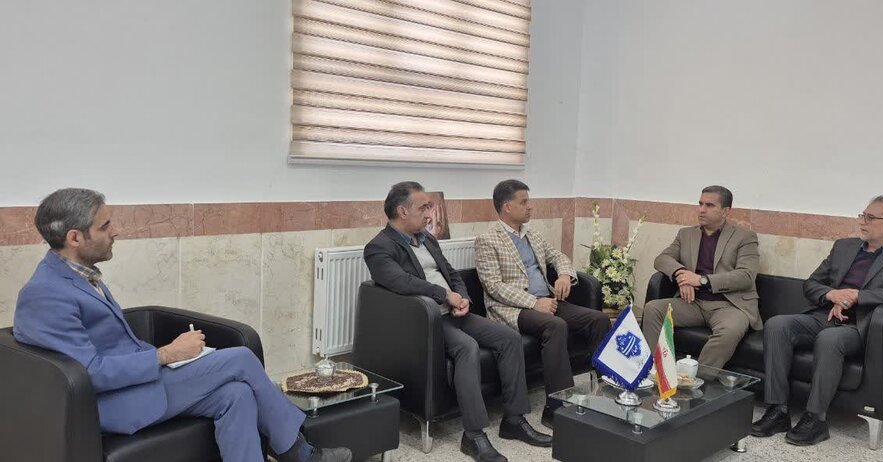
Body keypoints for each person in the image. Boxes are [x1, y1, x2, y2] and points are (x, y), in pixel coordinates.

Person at [13, 188, 351, 462]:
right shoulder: (46, 294)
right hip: (114, 403)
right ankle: (298, 453)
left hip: (137, 384)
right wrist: (166, 355)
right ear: (75, 237)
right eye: (104, 226)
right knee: (241, 358)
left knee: (236, 394)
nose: (116, 231)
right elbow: (89, 373)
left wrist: (173, 356)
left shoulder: (78, 275)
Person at [363, 181, 550, 462]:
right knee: (466, 347)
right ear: (402, 211)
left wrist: (462, 298)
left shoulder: (427, 239)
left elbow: (452, 273)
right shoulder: (379, 247)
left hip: (454, 312)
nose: (430, 214)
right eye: (423, 208)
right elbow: (401, 282)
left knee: (509, 338)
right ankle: (473, 435)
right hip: (425, 321)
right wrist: (444, 295)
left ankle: (514, 419)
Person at [751, 195, 883, 446]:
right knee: (777, 325)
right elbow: (812, 284)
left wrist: (857, 296)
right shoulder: (844, 247)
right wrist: (831, 294)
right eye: (862, 215)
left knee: (830, 338)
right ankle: (777, 410)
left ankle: (816, 419)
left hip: (860, 326)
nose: (862, 221)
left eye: (870, 217)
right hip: (823, 316)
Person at [474, 179, 611, 429]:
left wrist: (564, 275)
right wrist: (534, 302)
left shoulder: (532, 234)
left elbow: (558, 256)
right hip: (513, 308)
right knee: (555, 325)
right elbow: (493, 286)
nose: (530, 207)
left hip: (547, 300)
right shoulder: (487, 239)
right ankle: (557, 408)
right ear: (507, 207)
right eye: (524, 202)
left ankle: (607, 392)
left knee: (599, 319)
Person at [640, 186, 761, 376]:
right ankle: (656, 373)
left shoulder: (744, 237)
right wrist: (682, 275)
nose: (702, 210)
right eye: (700, 204)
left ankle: (695, 382)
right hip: (692, 303)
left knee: (729, 331)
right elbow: (662, 259)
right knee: (653, 309)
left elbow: (746, 276)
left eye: (709, 205)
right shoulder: (686, 234)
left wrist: (701, 280)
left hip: (729, 305)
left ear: (725, 211)